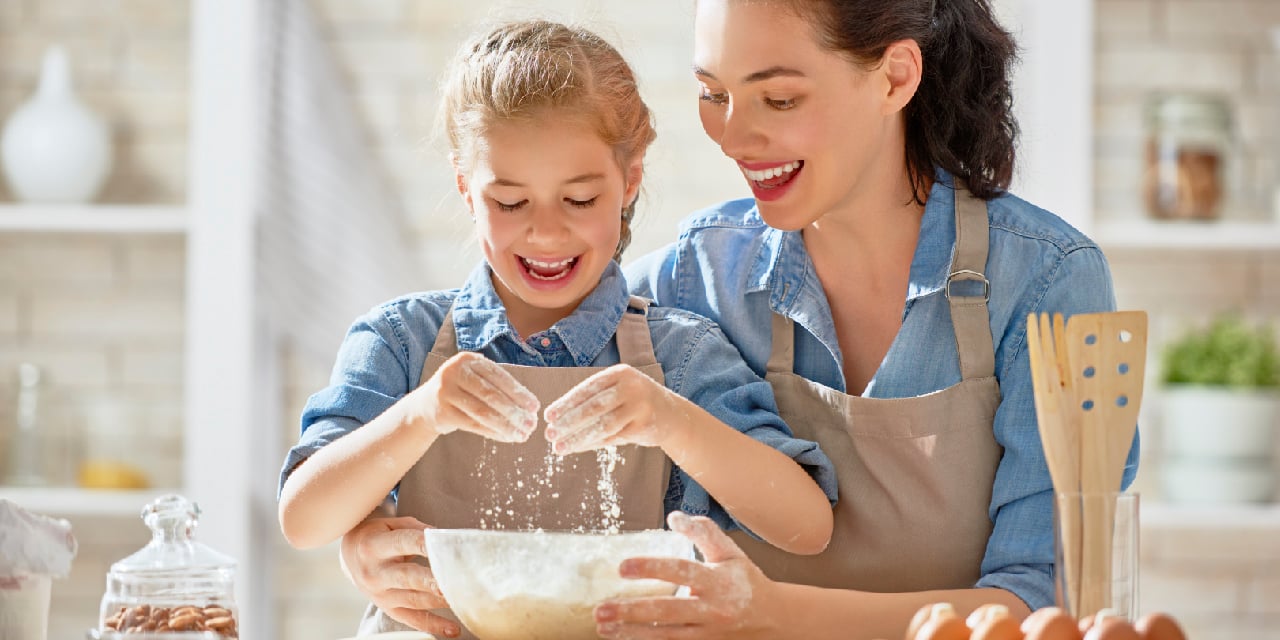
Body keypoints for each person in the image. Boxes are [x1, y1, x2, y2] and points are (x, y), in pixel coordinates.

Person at [587, 0, 1140, 638]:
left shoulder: (1047, 281)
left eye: (780, 99)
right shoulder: (695, 275)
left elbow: (1049, 604)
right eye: (713, 94)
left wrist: (773, 615)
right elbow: (519, 347)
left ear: (895, 77)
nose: (734, 139)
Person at [276, 18, 837, 638]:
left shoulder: (681, 355)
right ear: (467, 189)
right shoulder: (399, 341)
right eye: (510, 203)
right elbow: (304, 518)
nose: (545, 232)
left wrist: (669, 419)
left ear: (629, 184)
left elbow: (806, 527)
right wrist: (421, 415)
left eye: (579, 200)